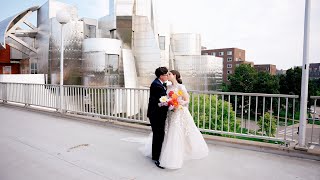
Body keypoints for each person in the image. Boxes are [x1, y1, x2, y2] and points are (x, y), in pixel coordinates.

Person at [157, 70, 209, 169]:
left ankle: (180, 154)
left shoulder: (181, 87)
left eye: (169, 74)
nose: (167, 75)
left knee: (178, 132)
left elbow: (187, 100)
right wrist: (168, 103)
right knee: (171, 132)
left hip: (180, 112)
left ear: (174, 75)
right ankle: (168, 153)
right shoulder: (168, 87)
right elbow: (167, 98)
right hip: (171, 113)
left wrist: (177, 104)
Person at [147, 67, 169, 168]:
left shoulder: (159, 83)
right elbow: (161, 102)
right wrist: (172, 104)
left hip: (157, 114)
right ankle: (156, 158)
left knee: (158, 135)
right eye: (166, 74)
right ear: (161, 76)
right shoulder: (157, 85)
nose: (167, 76)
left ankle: (155, 155)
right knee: (159, 135)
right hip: (156, 114)